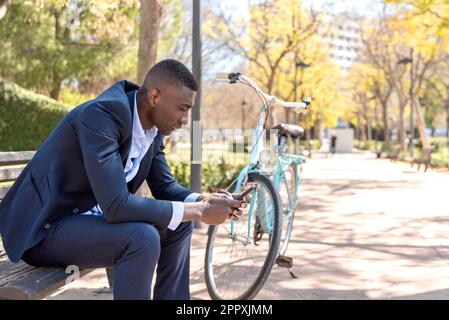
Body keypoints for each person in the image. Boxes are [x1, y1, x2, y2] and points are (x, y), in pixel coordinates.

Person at [0, 59, 242, 300]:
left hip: (88, 222)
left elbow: (164, 186)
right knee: (141, 238)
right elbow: (116, 206)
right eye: (183, 108)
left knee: (179, 223)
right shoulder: (100, 117)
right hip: (45, 228)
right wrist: (199, 211)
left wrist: (204, 200)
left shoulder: (153, 129)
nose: (185, 120)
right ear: (155, 97)